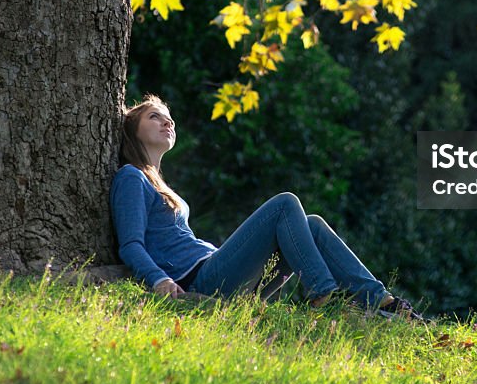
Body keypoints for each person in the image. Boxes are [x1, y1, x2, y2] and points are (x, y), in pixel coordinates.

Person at [110, 94, 422, 319]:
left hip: (224, 273)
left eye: (169, 117)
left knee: (311, 224)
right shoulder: (131, 177)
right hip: (201, 280)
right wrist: (159, 279)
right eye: (154, 116)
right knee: (285, 204)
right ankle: (323, 292)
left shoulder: (160, 184)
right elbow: (131, 245)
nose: (168, 121)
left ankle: (382, 301)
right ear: (132, 130)